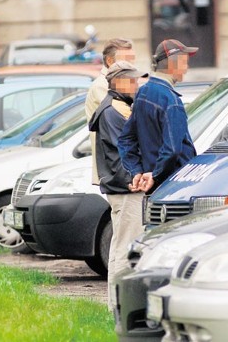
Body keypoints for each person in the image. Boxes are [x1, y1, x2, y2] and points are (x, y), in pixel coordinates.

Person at [88, 61, 148, 308]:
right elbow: (124, 152)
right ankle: (120, 307)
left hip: (124, 187)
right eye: (132, 80)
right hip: (125, 189)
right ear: (118, 82)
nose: (136, 85)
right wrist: (134, 179)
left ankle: (117, 303)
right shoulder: (113, 111)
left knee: (120, 246)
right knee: (126, 247)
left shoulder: (120, 107)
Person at [118, 39, 198, 194]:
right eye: (185, 63)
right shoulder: (171, 100)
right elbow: (172, 150)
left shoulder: (143, 92)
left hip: (153, 184)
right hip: (174, 186)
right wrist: (155, 175)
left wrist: (137, 172)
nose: (187, 69)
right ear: (174, 65)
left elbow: (125, 139)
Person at [85, 38, 136, 185]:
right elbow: (127, 119)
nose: (131, 66)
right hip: (116, 169)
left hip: (120, 168)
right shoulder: (103, 86)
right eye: (126, 60)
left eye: (132, 60)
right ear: (109, 61)